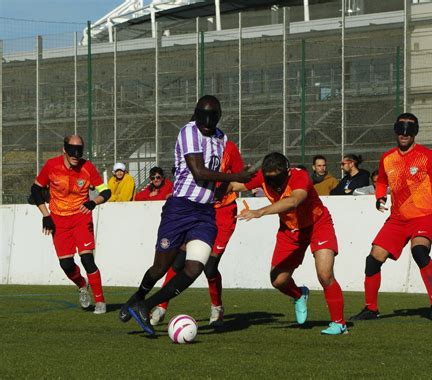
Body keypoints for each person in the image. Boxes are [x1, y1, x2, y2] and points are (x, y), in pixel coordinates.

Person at [118, 95, 254, 336]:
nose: (208, 121)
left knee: (194, 268)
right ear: (197, 114)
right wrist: (235, 178)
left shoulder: (223, 139)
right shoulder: (188, 132)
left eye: (213, 116)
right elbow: (199, 172)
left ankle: (146, 306)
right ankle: (138, 296)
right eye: (204, 115)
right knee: (161, 267)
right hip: (180, 208)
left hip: (206, 212)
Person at [228, 152, 348, 335]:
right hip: (290, 230)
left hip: (318, 224)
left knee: (325, 274)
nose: (273, 182)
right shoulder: (263, 175)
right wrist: (213, 186)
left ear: (286, 171)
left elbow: (293, 201)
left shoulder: (300, 176)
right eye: (269, 178)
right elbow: (234, 185)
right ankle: (299, 295)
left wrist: (259, 212)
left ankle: (339, 324)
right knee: (278, 280)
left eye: (277, 177)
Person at [350, 113, 432, 322]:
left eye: (409, 129)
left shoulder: (427, 156)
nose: (404, 134)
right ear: (396, 130)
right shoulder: (387, 157)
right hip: (397, 219)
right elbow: (381, 182)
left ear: (415, 132)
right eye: (401, 129)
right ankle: (371, 308)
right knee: (372, 260)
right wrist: (379, 198)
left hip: (424, 216)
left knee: (420, 252)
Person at [150, 139, 245, 327]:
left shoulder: (228, 147)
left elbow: (239, 175)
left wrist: (226, 189)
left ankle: (217, 308)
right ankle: (161, 307)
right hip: (196, 210)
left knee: (209, 266)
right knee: (177, 261)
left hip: (223, 212)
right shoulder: (191, 143)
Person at [30, 135, 111, 314]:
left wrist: (93, 202)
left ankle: (100, 301)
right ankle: (82, 285)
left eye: (79, 150)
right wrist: (46, 215)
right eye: (72, 150)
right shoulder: (52, 166)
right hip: (58, 220)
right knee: (66, 264)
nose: (76, 154)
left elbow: (106, 191)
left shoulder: (87, 167)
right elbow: (35, 189)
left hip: (81, 218)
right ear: (64, 149)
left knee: (87, 259)